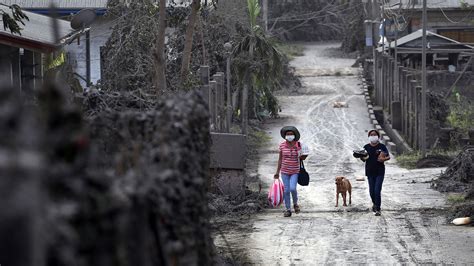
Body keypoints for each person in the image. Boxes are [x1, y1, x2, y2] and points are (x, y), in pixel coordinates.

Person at [274, 126, 309, 217]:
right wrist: (277, 172)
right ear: (285, 136)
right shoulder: (282, 145)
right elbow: (280, 159)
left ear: (294, 135)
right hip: (284, 171)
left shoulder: (299, 145)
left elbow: (303, 157)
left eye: (291, 134)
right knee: (286, 190)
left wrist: (303, 155)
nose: (289, 136)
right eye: (287, 134)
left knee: (292, 188)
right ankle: (288, 209)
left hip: (295, 171)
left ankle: (295, 203)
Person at [360, 130, 390, 216]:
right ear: (369, 136)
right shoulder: (366, 147)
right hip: (369, 171)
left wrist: (383, 159)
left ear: (378, 136)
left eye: (375, 134)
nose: (373, 136)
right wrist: (361, 157)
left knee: (377, 190)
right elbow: (362, 158)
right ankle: (374, 204)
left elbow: (388, 156)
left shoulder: (382, 146)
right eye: (371, 135)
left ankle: (378, 208)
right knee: (371, 191)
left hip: (380, 171)